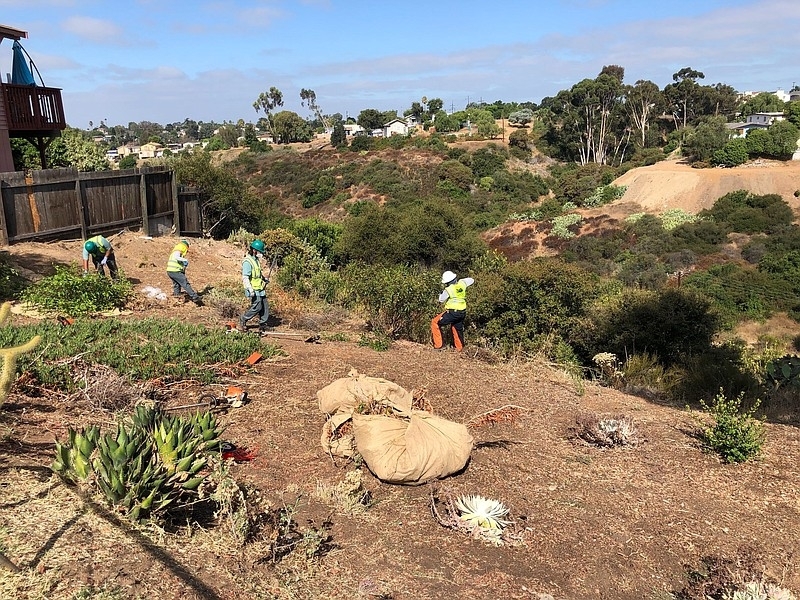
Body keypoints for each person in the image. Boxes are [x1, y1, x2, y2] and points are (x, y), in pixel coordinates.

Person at [431, 270, 474, 351]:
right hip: (462, 312)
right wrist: (462, 281)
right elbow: (472, 280)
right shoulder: (462, 283)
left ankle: (438, 346)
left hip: (452, 312)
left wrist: (441, 293)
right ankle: (460, 349)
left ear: (447, 282)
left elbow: (441, 299)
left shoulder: (449, 289)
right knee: (456, 328)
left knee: (435, 322)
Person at [237, 239, 270, 333]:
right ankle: (243, 319)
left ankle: (263, 324)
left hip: (260, 288)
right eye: (260, 251)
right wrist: (250, 289)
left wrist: (264, 279)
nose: (261, 253)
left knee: (264, 306)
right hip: (253, 289)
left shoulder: (256, 260)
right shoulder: (247, 261)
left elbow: (257, 273)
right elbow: (245, 277)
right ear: (254, 250)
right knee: (257, 306)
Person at [166, 239, 202, 306]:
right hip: (175, 270)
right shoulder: (181, 247)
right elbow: (176, 257)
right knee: (185, 283)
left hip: (170, 271)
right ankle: (195, 297)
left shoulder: (176, 248)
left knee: (176, 284)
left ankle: (177, 296)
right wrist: (185, 260)